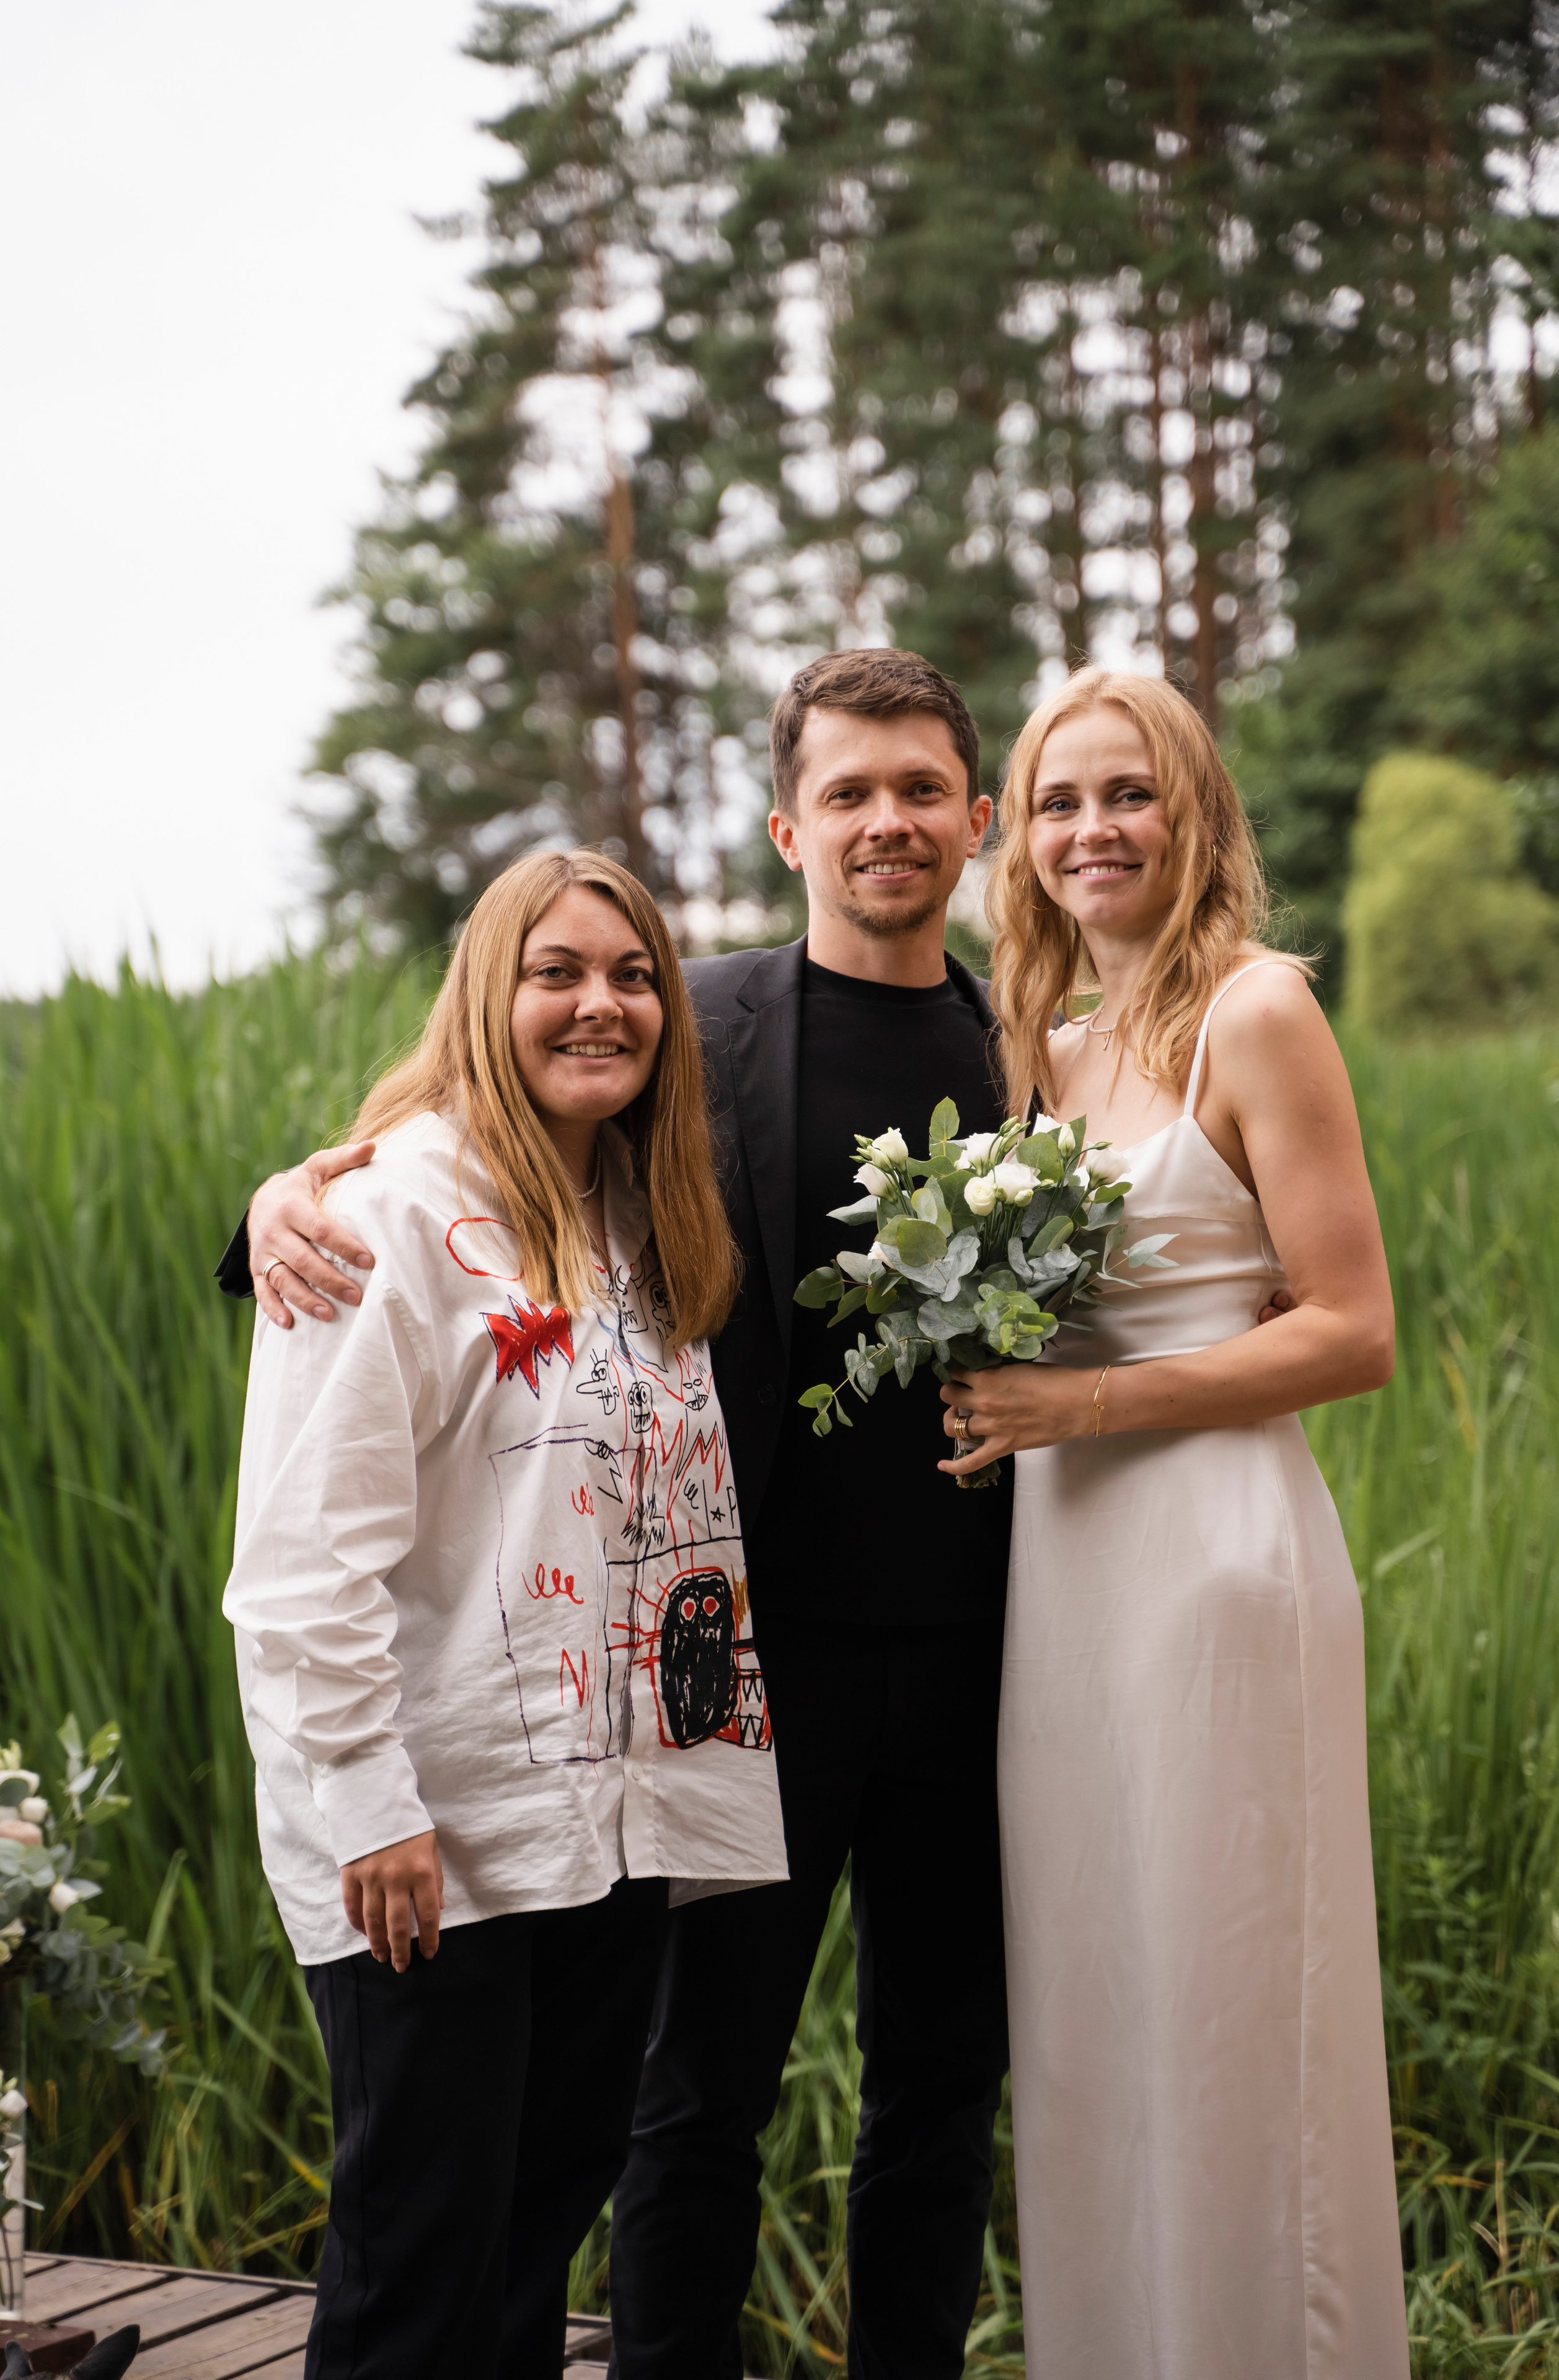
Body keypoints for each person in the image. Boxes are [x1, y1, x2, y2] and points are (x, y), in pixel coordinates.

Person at [221, 649, 1017, 2379]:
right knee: (652, 2127)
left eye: (920, 788)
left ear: (977, 815)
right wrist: (278, 1207)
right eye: (849, 790)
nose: (887, 819)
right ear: (790, 824)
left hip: (857, 1702)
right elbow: (417, 1180)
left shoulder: (1036, 1057)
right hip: (721, 1695)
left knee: (870, 2110)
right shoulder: (683, 1031)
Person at [223, 848, 787, 2380]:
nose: (598, 1004)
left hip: (599, 1829)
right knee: (419, 2263)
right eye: (557, 972)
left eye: (630, 976)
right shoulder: (384, 1216)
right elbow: (298, 1560)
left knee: (530, 2247)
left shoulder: (632, 1221)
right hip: (429, 1835)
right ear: (489, 995)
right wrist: (366, 1805)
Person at [939, 668, 1408, 2378]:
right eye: (1059, 803)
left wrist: (1084, 1407)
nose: (1090, 832)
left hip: (1216, 1559)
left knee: (1230, 2005)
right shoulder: (1042, 1050)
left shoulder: (1258, 1013)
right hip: (1066, 1588)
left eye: (1127, 795)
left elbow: (1351, 1331)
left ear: (1195, 811)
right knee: (1095, 2007)